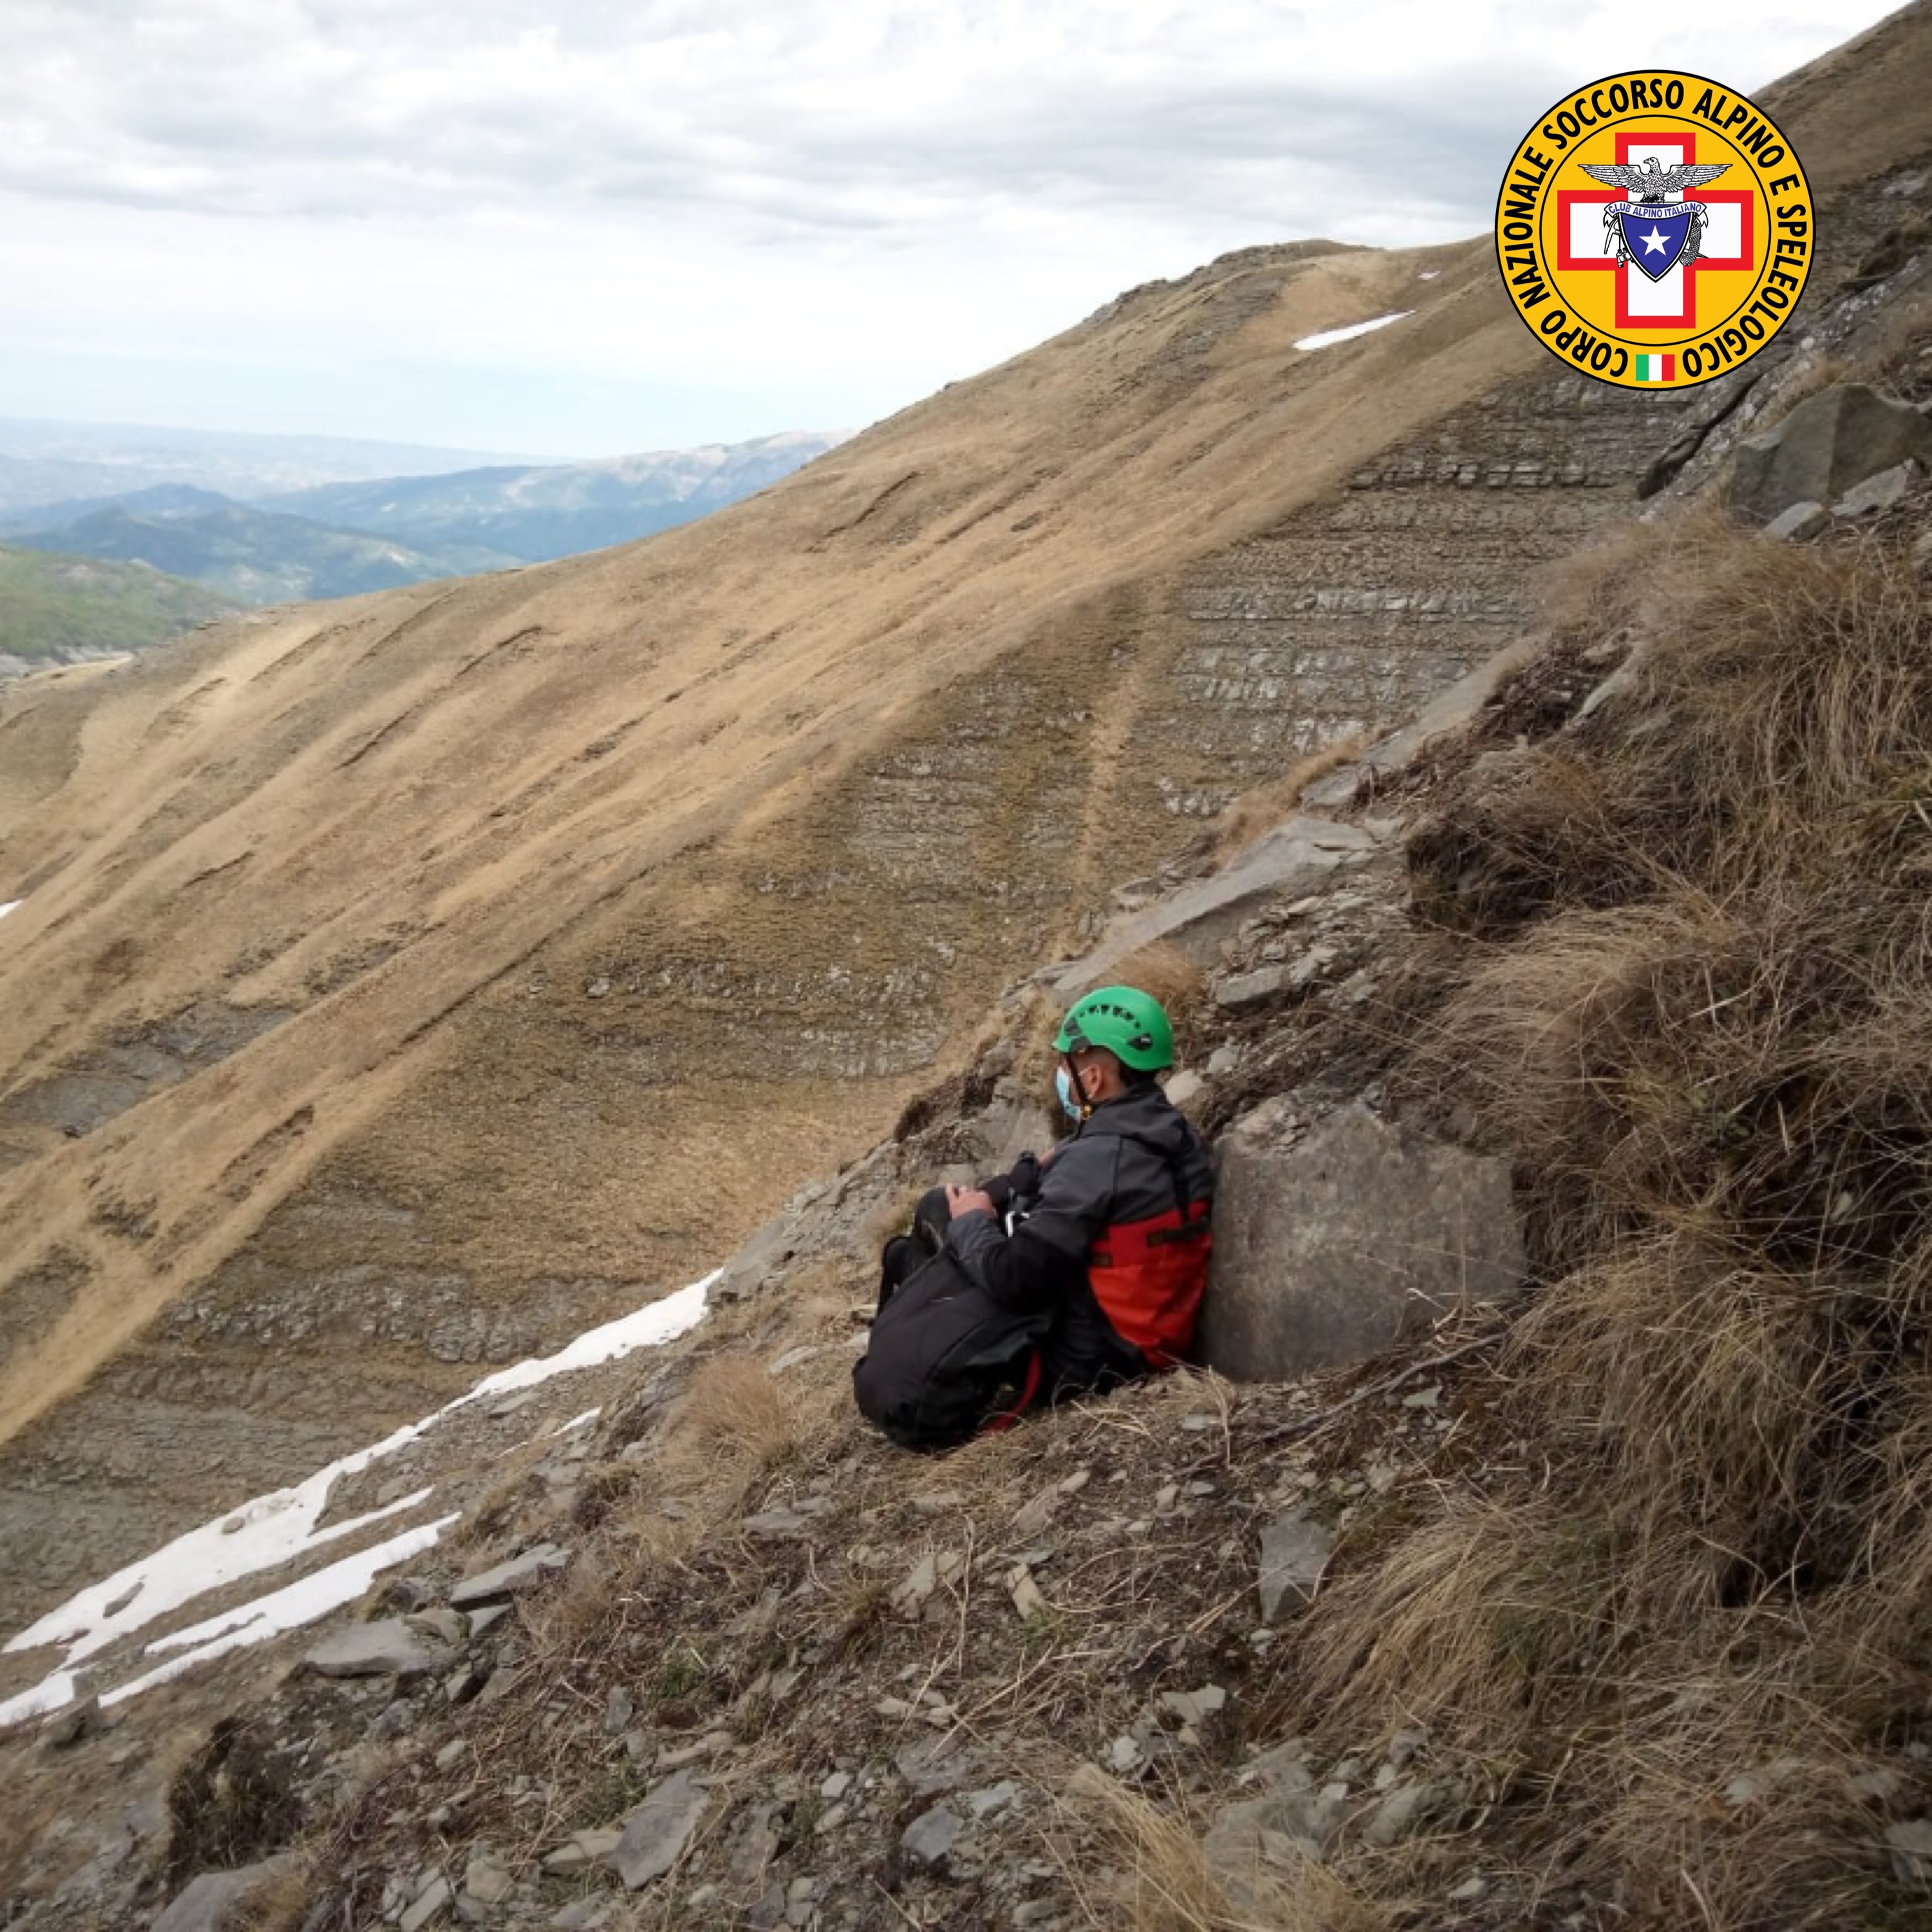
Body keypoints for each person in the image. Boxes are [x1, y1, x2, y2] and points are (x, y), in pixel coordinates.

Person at [855, 985, 1214, 1448]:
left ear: (1096, 1078)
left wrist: (971, 1221)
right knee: (954, 1214)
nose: (1061, 1074)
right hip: (1147, 1332)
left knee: (940, 1214)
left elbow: (1016, 1281)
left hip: (1097, 1361)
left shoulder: (1097, 1159)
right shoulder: (1173, 1134)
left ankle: (936, 1364)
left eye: (1067, 1065)